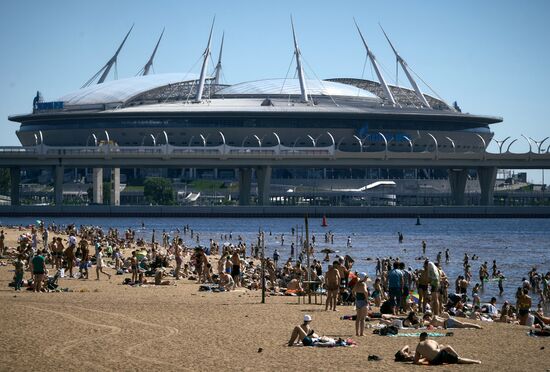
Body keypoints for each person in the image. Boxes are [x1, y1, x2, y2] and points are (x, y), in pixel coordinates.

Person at [413, 332, 481, 365]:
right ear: (427, 337)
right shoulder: (432, 341)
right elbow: (438, 350)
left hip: (434, 361)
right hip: (439, 356)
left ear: (420, 338)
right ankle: (462, 358)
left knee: (438, 350)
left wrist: (425, 361)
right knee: (448, 347)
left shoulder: (418, 346)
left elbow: (416, 361)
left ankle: (458, 358)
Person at [352, 272, 370, 336]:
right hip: (363, 301)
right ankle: (362, 333)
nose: (366, 278)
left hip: (358, 301)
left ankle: (357, 333)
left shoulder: (357, 284)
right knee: (363, 319)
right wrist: (367, 299)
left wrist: (355, 297)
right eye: (365, 277)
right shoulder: (363, 284)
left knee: (358, 318)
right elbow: (365, 291)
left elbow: (353, 291)